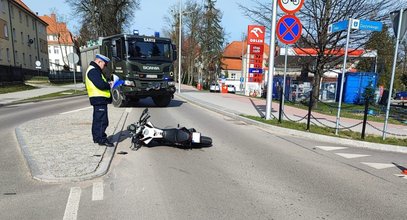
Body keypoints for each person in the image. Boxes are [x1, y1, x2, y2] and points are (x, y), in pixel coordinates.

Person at [85, 54, 114, 147]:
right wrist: (109, 85)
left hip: (99, 99)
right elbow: (100, 85)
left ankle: (97, 138)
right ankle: (101, 139)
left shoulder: (94, 70)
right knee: (102, 120)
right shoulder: (93, 71)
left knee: (98, 120)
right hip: (99, 99)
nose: (104, 66)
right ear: (99, 61)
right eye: (104, 64)